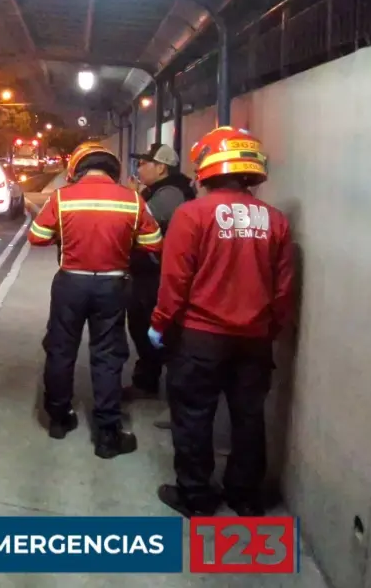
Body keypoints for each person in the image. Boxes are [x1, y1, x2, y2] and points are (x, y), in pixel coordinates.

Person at [148, 126, 295, 517]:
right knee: (249, 417)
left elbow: (175, 280)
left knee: (194, 416)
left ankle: (196, 497)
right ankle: (245, 497)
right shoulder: (275, 221)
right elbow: (283, 290)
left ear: (207, 170)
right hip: (255, 340)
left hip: (200, 338)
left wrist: (160, 324)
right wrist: (270, 329)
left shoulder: (192, 214)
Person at [28, 142, 163, 459]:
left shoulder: (62, 198)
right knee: (108, 356)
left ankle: (59, 420)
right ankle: (107, 436)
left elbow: (36, 236)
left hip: (70, 283)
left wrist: (63, 233)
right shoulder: (132, 199)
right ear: (112, 169)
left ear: (76, 169)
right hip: (113, 286)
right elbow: (154, 242)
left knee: (61, 350)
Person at [124, 143, 197, 405]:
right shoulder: (159, 190)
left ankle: (176, 397)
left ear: (161, 167)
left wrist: (134, 198)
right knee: (142, 329)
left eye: (144, 163)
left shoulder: (171, 193)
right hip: (147, 273)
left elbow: (142, 221)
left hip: (158, 275)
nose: (139, 168)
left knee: (160, 334)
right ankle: (146, 382)